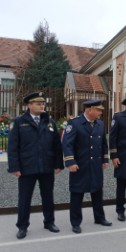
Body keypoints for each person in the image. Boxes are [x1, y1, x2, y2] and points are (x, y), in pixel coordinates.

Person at [7, 92, 63, 239]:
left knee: (48, 196)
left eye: (43, 103)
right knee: (24, 198)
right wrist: (14, 167)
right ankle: (22, 226)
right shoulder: (19, 122)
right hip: (27, 167)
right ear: (30, 105)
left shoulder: (49, 122)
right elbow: (12, 147)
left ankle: (49, 222)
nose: (42, 105)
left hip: (46, 166)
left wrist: (58, 164)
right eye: (38, 103)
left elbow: (57, 145)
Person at [62, 100, 112, 234]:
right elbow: (67, 144)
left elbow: (103, 143)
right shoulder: (75, 123)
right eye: (99, 110)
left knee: (97, 192)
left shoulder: (100, 124)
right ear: (90, 110)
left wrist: (105, 159)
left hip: (95, 165)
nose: (101, 113)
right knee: (77, 194)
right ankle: (76, 222)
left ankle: (99, 218)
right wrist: (70, 162)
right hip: (80, 165)